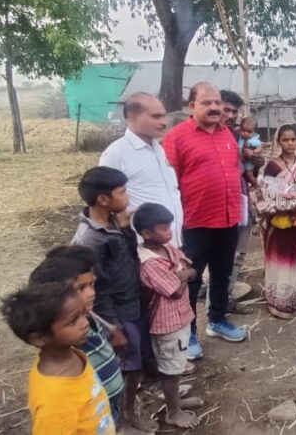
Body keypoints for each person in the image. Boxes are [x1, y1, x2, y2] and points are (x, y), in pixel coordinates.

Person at [71, 166, 158, 433]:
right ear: (103, 199)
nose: (128, 196)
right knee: (124, 368)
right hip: (118, 314)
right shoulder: (91, 239)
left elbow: (129, 256)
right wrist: (113, 327)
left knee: (135, 364)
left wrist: (125, 227)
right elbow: (97, 288)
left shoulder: (113, 222)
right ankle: (121, 419)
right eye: (122, 192)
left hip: (131, 303)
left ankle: (127, 412)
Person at [162, 82, 249, 344]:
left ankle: (217, 321)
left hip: (228, 218)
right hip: (195, 222)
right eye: (207, 103)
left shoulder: (228, 135)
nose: (214, 108)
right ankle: (188, 334)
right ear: (192, 106)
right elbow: (169, 181)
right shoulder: (177, 137)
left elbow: (236, 170)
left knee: (222, 274)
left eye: (217, 103)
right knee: (191, 279)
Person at [28, 247, 126, 426]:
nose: (91, 293)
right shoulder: (68, 336)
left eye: (92, 284)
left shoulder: (86, 317)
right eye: (80, 288)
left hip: (104, 405)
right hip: (91, 413)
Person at [2, 283, 115, 434]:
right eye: (73, 321)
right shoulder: (53, 400)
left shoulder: (73, 353)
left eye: (83, 314)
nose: (85, 323)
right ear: (39, 338)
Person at [133, 203, 204, 429]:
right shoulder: (149, 263)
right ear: (146, 233)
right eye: (164, 228)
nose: (170, 232)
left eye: (169, 227)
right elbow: (175, 291)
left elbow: (191, 269)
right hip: (167, 325)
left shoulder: (167, 248)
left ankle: (175, 403)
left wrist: (183, 274)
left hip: (180, 318)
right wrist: (184, 275)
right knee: (170, 369)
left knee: (176, 365)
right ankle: (173, 412)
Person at [100, 92, 184, 248]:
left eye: (164, 116)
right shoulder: (116, 153)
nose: (164, 122)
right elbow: (105, 204)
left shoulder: (158, 149)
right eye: (156, 117)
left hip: (171, 243)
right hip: (142, 247)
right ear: (132, 117)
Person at [256, 126, 296, 319]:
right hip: (280, 219)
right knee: (280, 258)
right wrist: (285, 202)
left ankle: (292, 298)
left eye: (293, 139)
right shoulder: (272, 166)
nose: (290, 143)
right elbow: (267, 193)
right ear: (278, 142)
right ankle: (277, 303)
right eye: (285, 140)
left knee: (295, 258)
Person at [220, 89, 258, 317]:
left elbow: (244, 169)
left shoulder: (237, 137)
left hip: (241, 200)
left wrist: (255, 164)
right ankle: (218, 302)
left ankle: (226, 298)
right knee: (220, 255)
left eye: (235, 111)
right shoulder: (210, 137)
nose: (231, 115)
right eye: (227, 110)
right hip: (219, 206)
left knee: (238, 254)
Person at [239, 116, 263, 188]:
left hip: (249, 161)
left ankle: (255, 184)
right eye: (243, 131)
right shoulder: (240, 138)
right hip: (241, 160)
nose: (245, 133)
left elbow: (260, 147)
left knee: (249, 174)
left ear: (254, 131)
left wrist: (253, 152)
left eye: (249, 132)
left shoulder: (254, 140)